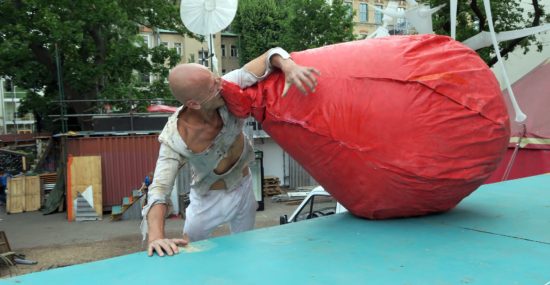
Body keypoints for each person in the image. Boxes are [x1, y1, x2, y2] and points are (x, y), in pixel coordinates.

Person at [142, 47, 320, 257]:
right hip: (208, 198)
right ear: (193, 103)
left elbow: (270, 55)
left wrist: (289, 66)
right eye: (213, 86)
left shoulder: (226, 85)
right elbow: (159, 190)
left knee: (245, 249)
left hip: (243, 187)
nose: (221, 84)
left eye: (215, 77)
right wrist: (156, 236)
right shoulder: (175, 138)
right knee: (190, 250)